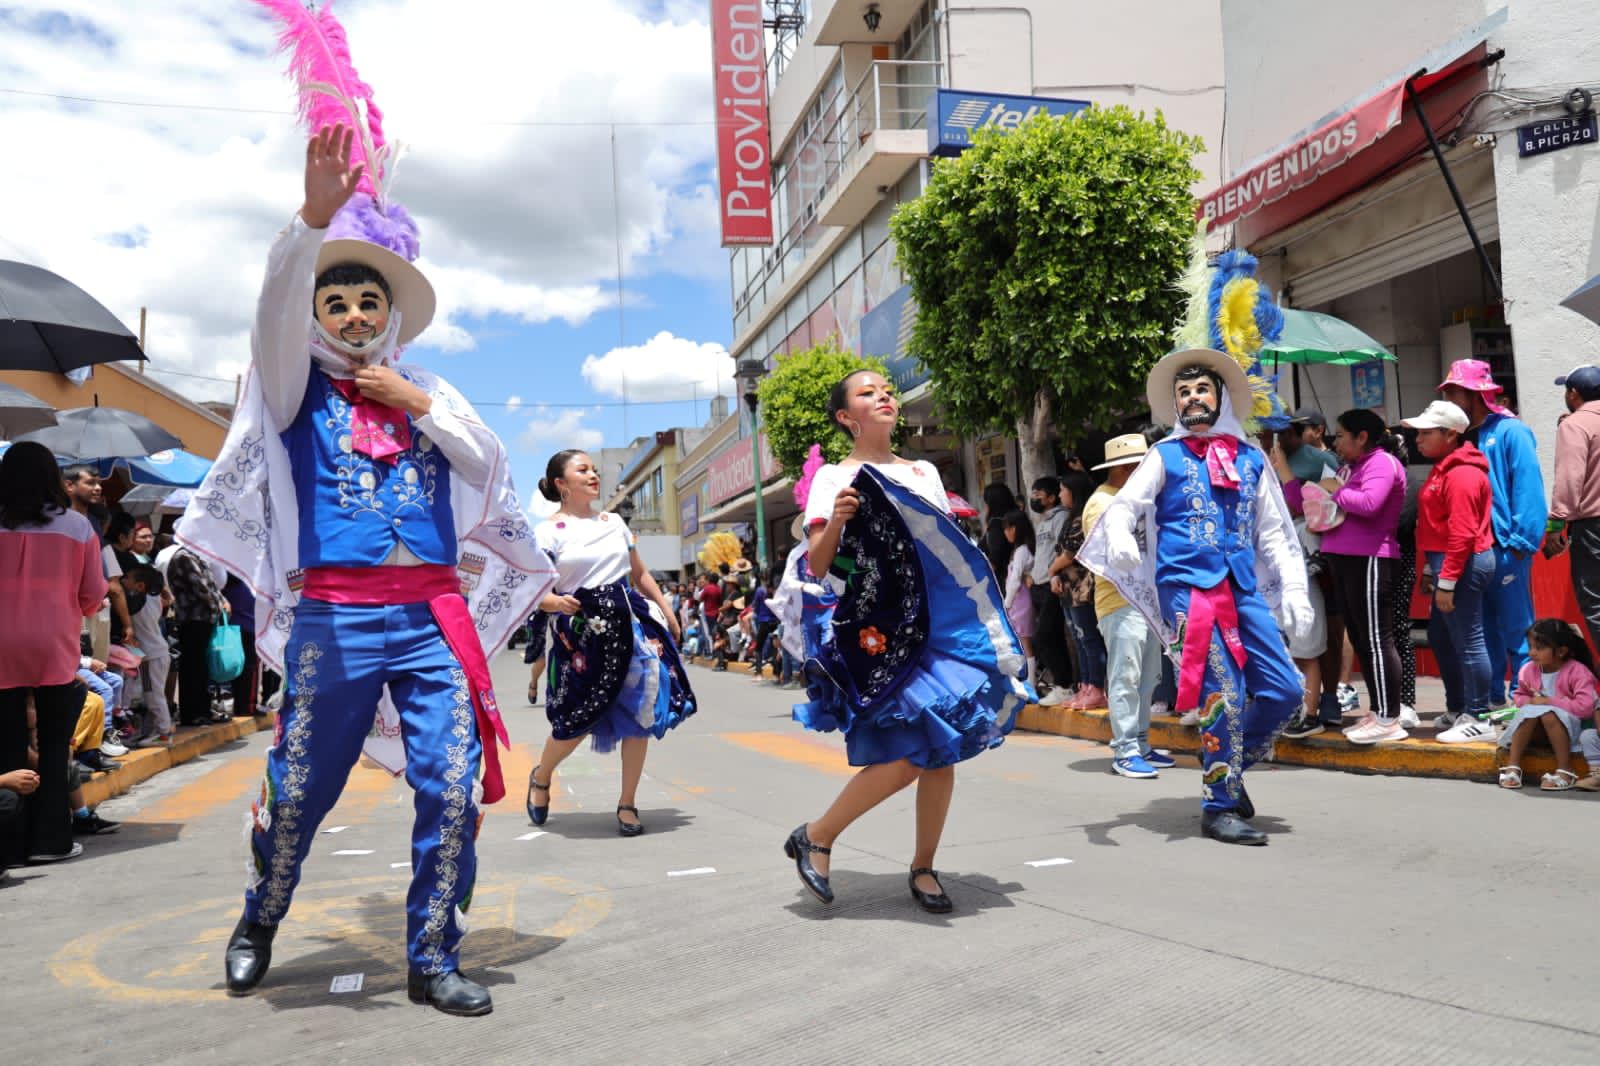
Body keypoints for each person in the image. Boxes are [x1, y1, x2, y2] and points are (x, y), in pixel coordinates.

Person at [177, 16, 556, 1014]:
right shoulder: (290, 393)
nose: (348, 315)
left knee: (450, 784)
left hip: (432, 620)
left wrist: (416, 402)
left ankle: (433, 954)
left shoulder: (431, 395)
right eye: (334, 302)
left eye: (363, 301)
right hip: (336, 621)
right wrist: (309, 223)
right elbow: (271, 313)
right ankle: (262, 909)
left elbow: (493, 466)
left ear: (389, 313)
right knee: (302, 790)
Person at [784, 368, 1031, 910]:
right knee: (913, 753)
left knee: (941, 749)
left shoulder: (923, 472)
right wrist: (841, 523)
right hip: (880, 626)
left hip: (939, 623)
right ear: (846, 418)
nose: (884, 398)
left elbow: (941, 554)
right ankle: (818, 834)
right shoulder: (833, 478)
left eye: (887, 391)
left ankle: (923, 867)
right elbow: (820, 566)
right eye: (868, 394)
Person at [1081, 348, 1312, 846]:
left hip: (1241, 588)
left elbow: (1273, 530)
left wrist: (1294, 586)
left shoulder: (1250, 457)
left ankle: (1225, 770)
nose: (1192, 399)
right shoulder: (1164, 455)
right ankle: (1219, 804)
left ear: (1221, 396)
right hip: (1187, 589)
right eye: (1183, 392)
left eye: (1201, 389)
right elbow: (1126, 506)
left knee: (1285, 692)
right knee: (1223, 693)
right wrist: (1120, 535)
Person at [523, 450, 695, 837]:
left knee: (639, 713)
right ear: (561, 484)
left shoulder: (614, 522)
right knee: (576, 720)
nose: (593, 475)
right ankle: (541, 775)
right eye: (582, 470)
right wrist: (552, 602)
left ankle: (628, 802)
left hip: (628, 623)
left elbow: (639, 573)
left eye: (594, 469)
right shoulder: (547, 531)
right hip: (580, 630)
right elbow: (532, 585)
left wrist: (667, 611)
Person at [0, 441, 109, 865]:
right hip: (53, 645)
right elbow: (91, 595)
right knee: (53, 742)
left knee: (7, 743)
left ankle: (11, 843)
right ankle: (51, 840)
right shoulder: (78, 528)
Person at [1438, 359, 1547, 713]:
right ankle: (1493, 699)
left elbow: (1528, 488)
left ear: (1473, 394)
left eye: (1454, 391)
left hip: (1506, 547)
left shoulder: (1512, 431)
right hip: (1475, 550)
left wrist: (1521, 543)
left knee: (1516, 628)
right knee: (1482, 631)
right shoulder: (1462, 436)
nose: (1450, 398)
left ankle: (1523, 697)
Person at [1404, 400, 1497, 743]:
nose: (1418, 439)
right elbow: (1437, 527)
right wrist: (1433, 569)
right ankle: (1459, 707)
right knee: (1443, 638)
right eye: (1419, 433)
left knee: (1469, 639)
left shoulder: (1462, 474)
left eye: (1427, 433)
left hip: (1462, 563)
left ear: (1450, 434)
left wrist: (1446, 581)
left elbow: (1461, 534)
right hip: (1448, 563)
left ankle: (1480, 715)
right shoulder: (1445, 467)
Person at [1081, 433, 1173, 779]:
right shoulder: (1101, 502)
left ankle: (1142, 744)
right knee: (1126, 676)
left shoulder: (1135, 499)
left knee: (1147, 679)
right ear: (1124, 467)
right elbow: (1104, 555)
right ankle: (1126, 749)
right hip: (1119, 602)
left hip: (1145, 602)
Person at [1319, 409, 1409, 744]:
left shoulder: (1381, 463)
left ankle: (1389, 716)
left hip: (1371, 557)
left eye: (1342, 435)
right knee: (1360, 638)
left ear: (1362, 437)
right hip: (1345, 558)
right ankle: (1379, 711)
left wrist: (1335, 491)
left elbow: (1370, 503)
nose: (1336, 441)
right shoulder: (1351, 467)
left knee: (1376, 638)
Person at [1497, 619, 1596, 791]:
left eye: (1539, 648)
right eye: (1530, 646)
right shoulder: (1528, 670)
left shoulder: (1578, 672)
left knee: (1548, 713)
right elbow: (1519, 695)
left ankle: (1565, 769)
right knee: (1531, 713)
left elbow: (1586, 707)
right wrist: (1529, 703)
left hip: (1568, 733)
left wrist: (1549, 702)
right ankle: (1513, 766)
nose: (1532, 652)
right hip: (1537, 732)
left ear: (1561, 651)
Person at [1545, 366, 1600, 651]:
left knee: (1596, 603)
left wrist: (1555, 525)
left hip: (1593, 527)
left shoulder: (1575, 426)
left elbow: (1569, 479)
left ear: (1574, 393)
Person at [1049, 471, 1106, 710]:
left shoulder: (1084, 517)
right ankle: (1085, 686)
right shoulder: (1070, 517)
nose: (1061, 494)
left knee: (1089, 639)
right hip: (1068, 590)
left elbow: (1070, 553)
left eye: (1063, 489)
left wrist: (1052, 571)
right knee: (1079, 640)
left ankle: (1097, 688)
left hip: (1083, 588)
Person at [167, 545, 227, 727]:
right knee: (192, 667)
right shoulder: (184, 557)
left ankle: (203, 710)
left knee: (201, 666)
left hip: (204, 618)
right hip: (193, 618)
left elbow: (212, 585)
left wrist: (220, 603)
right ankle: (192, 713)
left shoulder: (198, 555)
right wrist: (219, 605)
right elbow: (201, 588)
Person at [1029, 476, 1075, 705]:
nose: (1034, 498)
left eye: (1038, 494)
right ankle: (1063, 685)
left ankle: (1065, 685)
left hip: (1052, 585)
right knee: (1049, 637)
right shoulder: (1042, 521)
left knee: (1045, 636)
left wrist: (1054, 574)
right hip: (1038, 585)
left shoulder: (1061, 517)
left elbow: (1060, 548)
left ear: (1051, 497)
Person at [1000, 511, 1036, 684]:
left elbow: (1015, 580)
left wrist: (1007, 603)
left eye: (1009, 528)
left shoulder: (1022, 551)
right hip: (1017, 599)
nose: (1007, 532)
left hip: (1020, 600)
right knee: (1022, 641)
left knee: (1024, 641)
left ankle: (1031, 683)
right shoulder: (1019, 550)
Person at [1281, 409, 1337, 482]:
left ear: (1319, 430)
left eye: (1301, 427)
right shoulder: (1280, 455)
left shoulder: (1327, 460)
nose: (1296, 432)